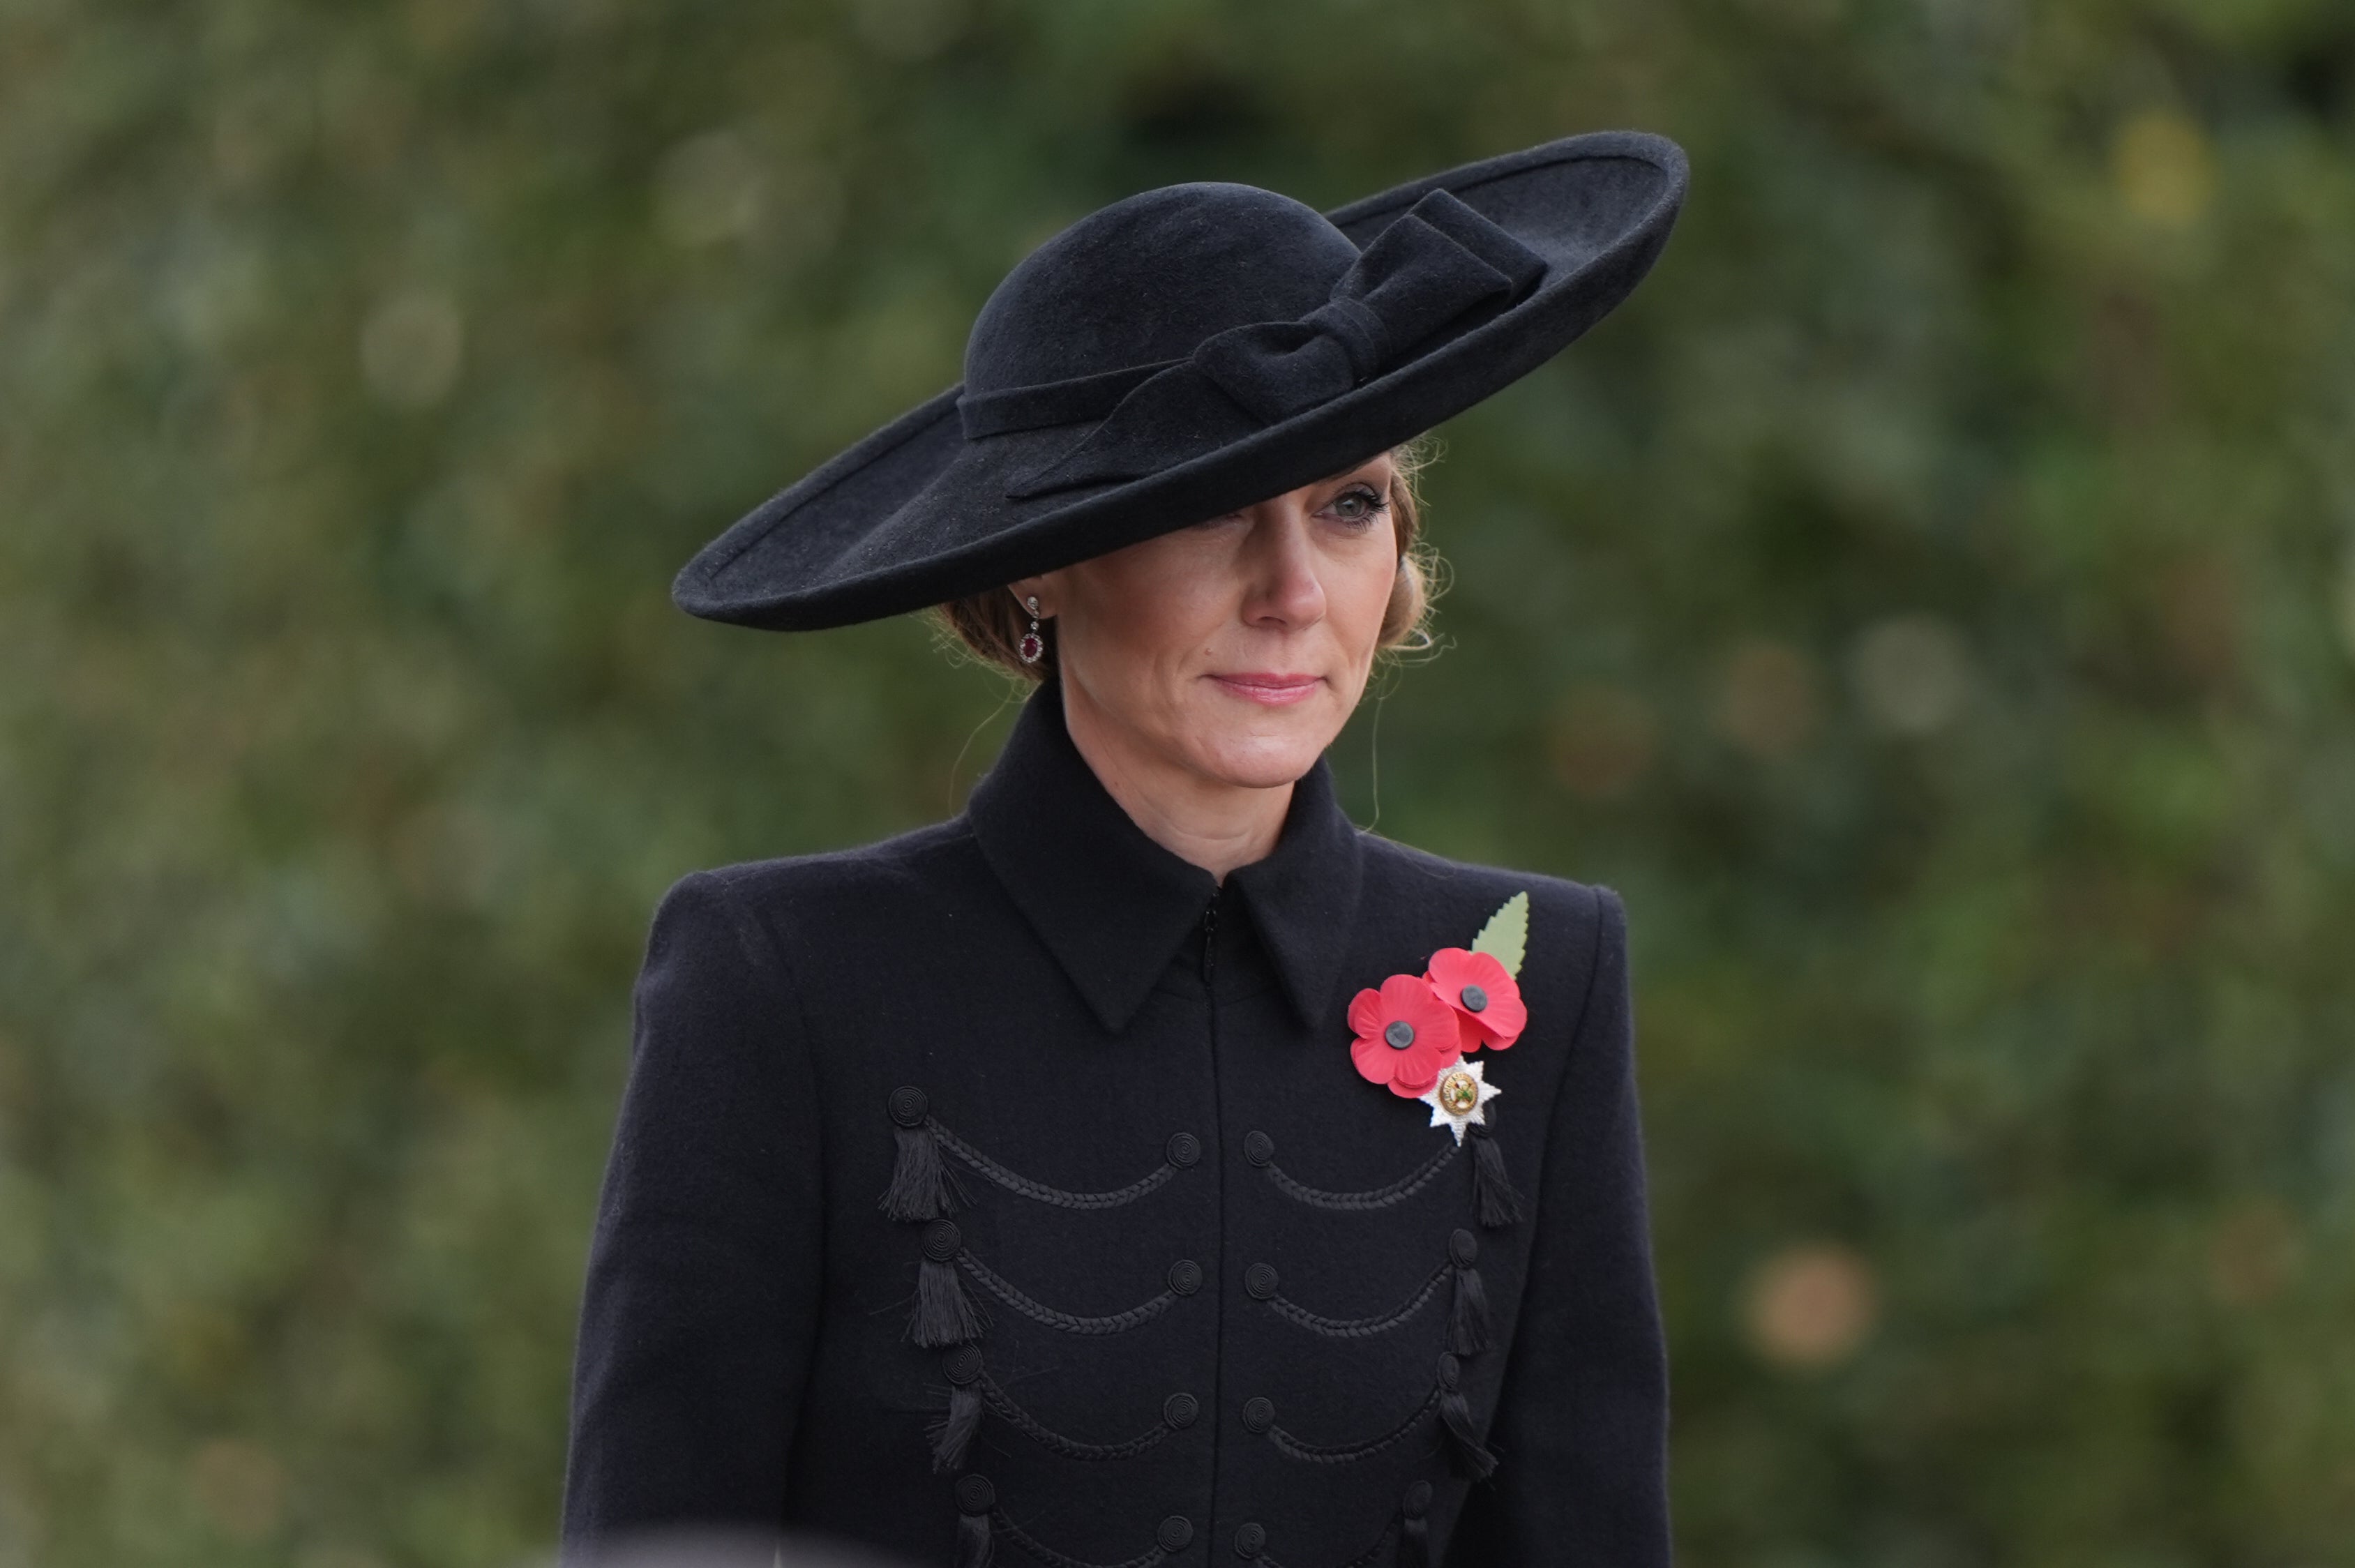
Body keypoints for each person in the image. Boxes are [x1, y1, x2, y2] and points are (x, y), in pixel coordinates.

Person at [562, 130, 1690, 1568]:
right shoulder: (783, 980)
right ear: (1040, 558)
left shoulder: (1544, 973)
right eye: (1213, 507)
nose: (1291, 590)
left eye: (1345, 504)